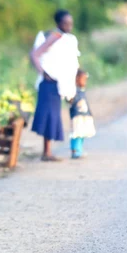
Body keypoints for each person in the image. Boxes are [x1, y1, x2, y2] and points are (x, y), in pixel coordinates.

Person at [29, 9, 80, 162]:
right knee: (49, 117)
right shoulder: (55, 36)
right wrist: (43, 72)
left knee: (52, 116)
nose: (69, 26)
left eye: (70, 24)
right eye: (66, 23)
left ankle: (47, 151)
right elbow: (35, 54)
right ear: (59, 23)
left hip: (56, 84)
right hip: (49, 83)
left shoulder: (65, 38)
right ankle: (47, 152)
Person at [69, 69, 96, 159]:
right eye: (83, 79)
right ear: (76, 79)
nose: (85, 82)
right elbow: (70, 101)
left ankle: (79, 149)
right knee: (76, 133)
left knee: (82, 133)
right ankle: (75, 150)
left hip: (85, 115)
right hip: (77, 116)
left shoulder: (82, 91)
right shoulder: (73, 91)